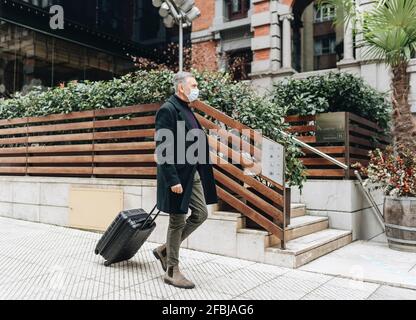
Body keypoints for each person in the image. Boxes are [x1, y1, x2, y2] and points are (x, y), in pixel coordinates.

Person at [153, 71, 218, 289]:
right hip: (177, 176)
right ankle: (172, 270)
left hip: (193, 173)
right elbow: (163, 149)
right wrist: (172, 180)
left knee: (201, 213)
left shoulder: (187, 109)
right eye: (194, 85)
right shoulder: (168, 110)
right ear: (181, 87)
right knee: (177, 220)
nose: (197, 88)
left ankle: (164, 250)